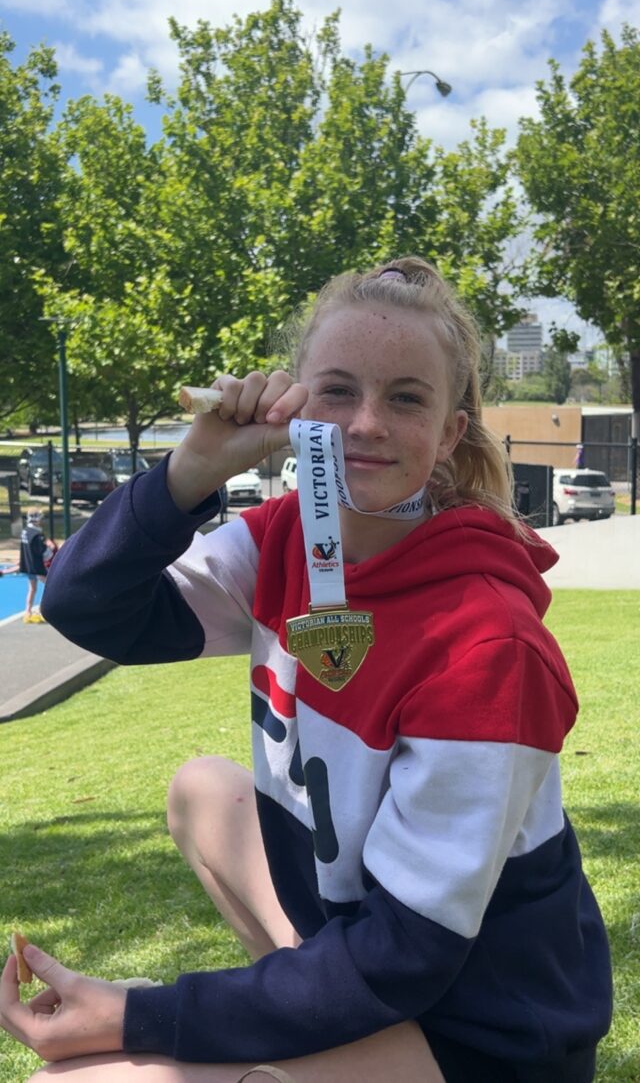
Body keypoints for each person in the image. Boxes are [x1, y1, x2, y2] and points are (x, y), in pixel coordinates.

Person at [0, 257, 612, 1082]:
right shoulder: (282, 539)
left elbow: (405, 957)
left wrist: (141, 1014)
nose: (364, 423)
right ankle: (305, 1023)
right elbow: (89, 605)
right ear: (295, 405)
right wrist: (193, 471)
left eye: (405, 397)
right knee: (202, 788)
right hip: (360, 951)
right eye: (335, 390)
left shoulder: (487, 647)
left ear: (449, 433)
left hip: (481, 1027)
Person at [18, 509, 49, 623]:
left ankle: (28, 611)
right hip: (37, 567)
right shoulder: (37, 534)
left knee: (32, 589)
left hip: (28, 566)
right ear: (35, 519)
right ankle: (42, 611)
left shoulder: (25, 531)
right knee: (50, 585)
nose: (41, 520)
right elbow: (44, 553)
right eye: (40, 518)